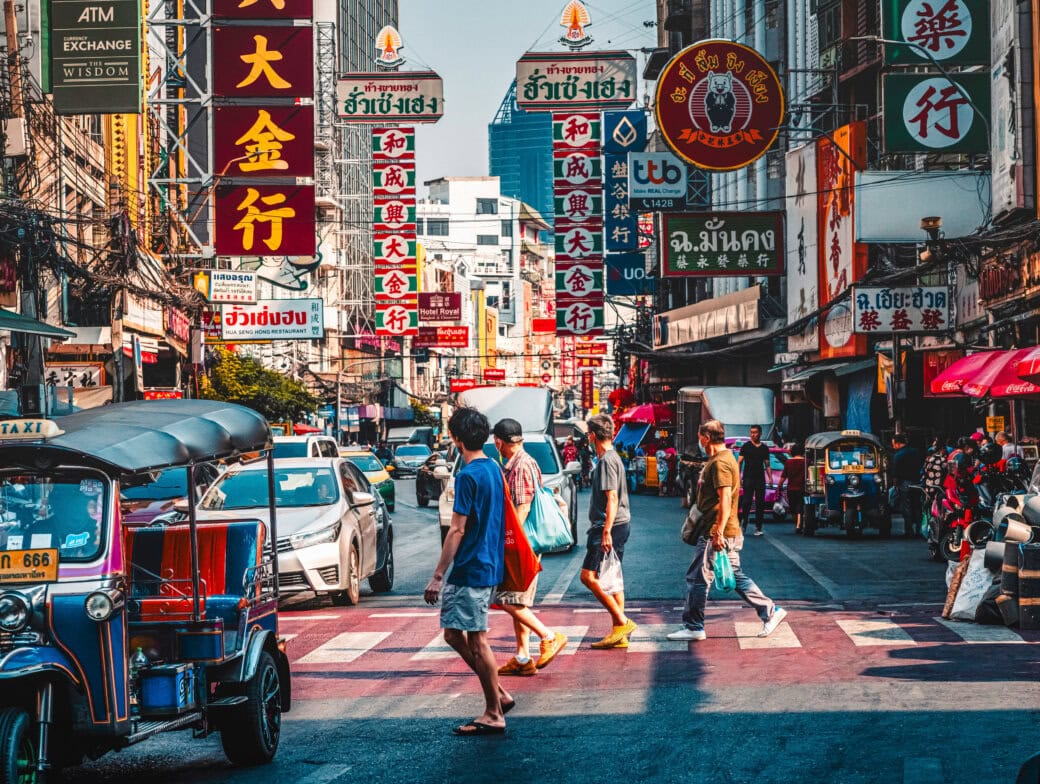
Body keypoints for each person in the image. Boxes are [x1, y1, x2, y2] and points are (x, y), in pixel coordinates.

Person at [424, 408, 513, 737]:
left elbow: (457, 530)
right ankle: (498, 694)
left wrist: (437, 575)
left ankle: (494, 711)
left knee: (478, 642)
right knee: (453, 633)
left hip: (472, 566)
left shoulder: (468, 476)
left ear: (456, 438)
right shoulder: (493, 468)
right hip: (487, 563)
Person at [667, 419, 787, 642]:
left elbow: (724, 499)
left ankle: (694, 626)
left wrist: (717, 532)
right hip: (725, 530)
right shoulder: (723, 459)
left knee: (698, 578)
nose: (699, 442)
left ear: (706, 438)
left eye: (700, 437)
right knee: (735, 576)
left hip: (716, 532)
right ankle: (770, 611)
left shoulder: (721, 462)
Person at [491, 419, 568, 677]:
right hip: (521, 542)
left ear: (499, 442)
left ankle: (549, 636)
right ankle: (523, 657)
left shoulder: (521, 465)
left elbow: (522, 508)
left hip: (522, 543)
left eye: (496, 442)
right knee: (518, 601)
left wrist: (511, 542)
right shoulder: (520, 462)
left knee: (506, 600)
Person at [579, 413, 637, 649]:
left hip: (608, 526)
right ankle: (619, 634)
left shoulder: (606, 462)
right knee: (612, 580)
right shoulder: (613, 458)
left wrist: (605, 532)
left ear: (593, 435)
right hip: (618, 524)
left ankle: (622, 622)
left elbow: (611, 497)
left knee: (588, 576)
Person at [738, 425, 770, 536]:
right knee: (746, 502)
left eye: (755, 432)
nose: (753, 434)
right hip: (748, 477)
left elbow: (767, 464)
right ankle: (744, 523)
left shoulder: (764, 448)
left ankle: (758, 527)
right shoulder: (746, 446)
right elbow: (740, 462)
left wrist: (770, 478)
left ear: (760, 433)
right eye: (751, 432)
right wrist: (739, 477)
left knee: (760, 503)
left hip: (760, 478)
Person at [889, 433, 923, 538]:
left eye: (894, 444)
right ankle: (919, 529)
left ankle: (909, 530)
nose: (893, 446)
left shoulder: (898, 455)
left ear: (898, 443)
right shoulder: (915, 452)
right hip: (917, 482)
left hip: (904, 483)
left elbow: (895, 473)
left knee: (906, 507)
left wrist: (895, 485)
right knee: (917, 506)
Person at [778, 443, 806, 532]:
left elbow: (783, 476)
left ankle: (798, 525)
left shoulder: (788, 462)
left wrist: (779, 486)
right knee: (800, 507)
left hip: (791, 489)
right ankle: (799, 524)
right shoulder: (806, 462)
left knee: (793, 508)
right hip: (803, 488)